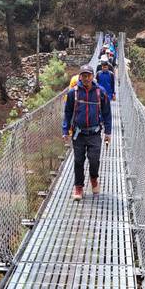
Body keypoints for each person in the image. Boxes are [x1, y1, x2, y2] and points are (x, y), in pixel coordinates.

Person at [63, 65, 112, 201]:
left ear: (92, 76)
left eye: (88, 75)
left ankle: (94, 179)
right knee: (78, 161)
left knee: (94, 160)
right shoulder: (73, 93)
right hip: (78, 133)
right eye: (83, 75)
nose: (86, 78)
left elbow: (107, 113)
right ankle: (78, 187)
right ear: (80, 77)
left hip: (95, 133)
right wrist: (65, 130)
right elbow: (67, 113)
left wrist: (108, 132)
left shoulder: (100, 92)